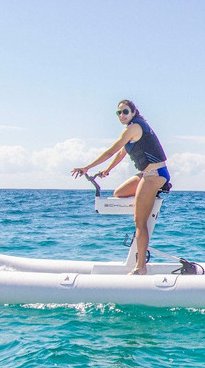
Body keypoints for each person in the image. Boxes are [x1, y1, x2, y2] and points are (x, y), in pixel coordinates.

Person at [71, 100, 171, 274]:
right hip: (146, 175)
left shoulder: (132, 128)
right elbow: (120, 153)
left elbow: (110, 151)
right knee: (119, 193)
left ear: (133, 112)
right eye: (119, 113)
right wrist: (107, 170)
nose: (122, 116)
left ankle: (141, 267)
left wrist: (87, 167)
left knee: (140, 222)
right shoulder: (131, 132)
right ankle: (146, 199)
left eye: (125, 112)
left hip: (155, 175)